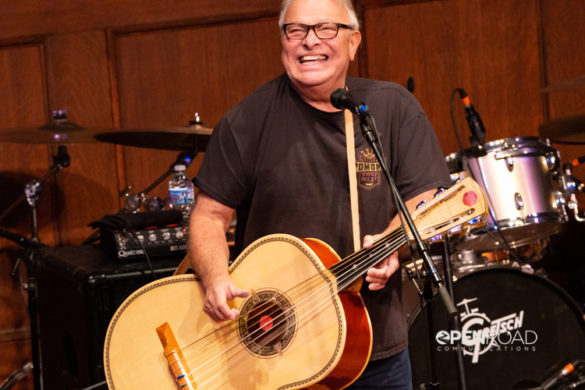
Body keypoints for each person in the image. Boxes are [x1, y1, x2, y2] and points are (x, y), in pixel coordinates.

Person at [188, 0, 451, 388]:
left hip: (373, 347)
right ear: (283, 41)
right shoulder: (246, 121)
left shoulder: (391, 108)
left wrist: (391, 242)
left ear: (353, 42)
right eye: (296, 30)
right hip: (275, 348)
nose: (310, 42)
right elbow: (208, 216)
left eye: (326, 28)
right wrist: (215, 278)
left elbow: (424, 195)